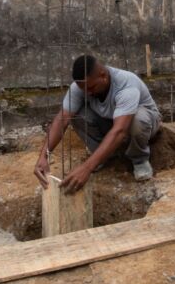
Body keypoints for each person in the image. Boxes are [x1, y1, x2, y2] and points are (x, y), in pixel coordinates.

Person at [34, 55, 162, 193]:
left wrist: (86, 168)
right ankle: (103, 155)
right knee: (75, 114)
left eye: (91, 88)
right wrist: (44, 156)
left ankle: (139, 159)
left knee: (138, 120)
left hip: (144, 123)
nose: (87, 92)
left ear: (103, 76)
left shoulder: (126, 85)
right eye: (84, 89)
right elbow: (63, 118)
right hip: (113, 121)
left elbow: (120, 131)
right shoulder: (82, 86)